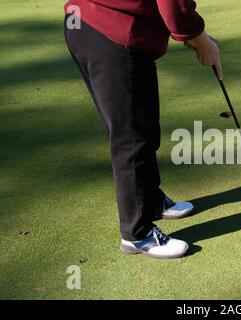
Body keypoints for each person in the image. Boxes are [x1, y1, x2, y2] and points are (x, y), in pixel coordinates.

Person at [64, 0, 223, 259]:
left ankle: (151, 202)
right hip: (112, 32)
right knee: (132, 138)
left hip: (86, 24)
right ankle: (136, 234)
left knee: (141, 128)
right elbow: (174, 9)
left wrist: (197, 36)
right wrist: (202, 41)